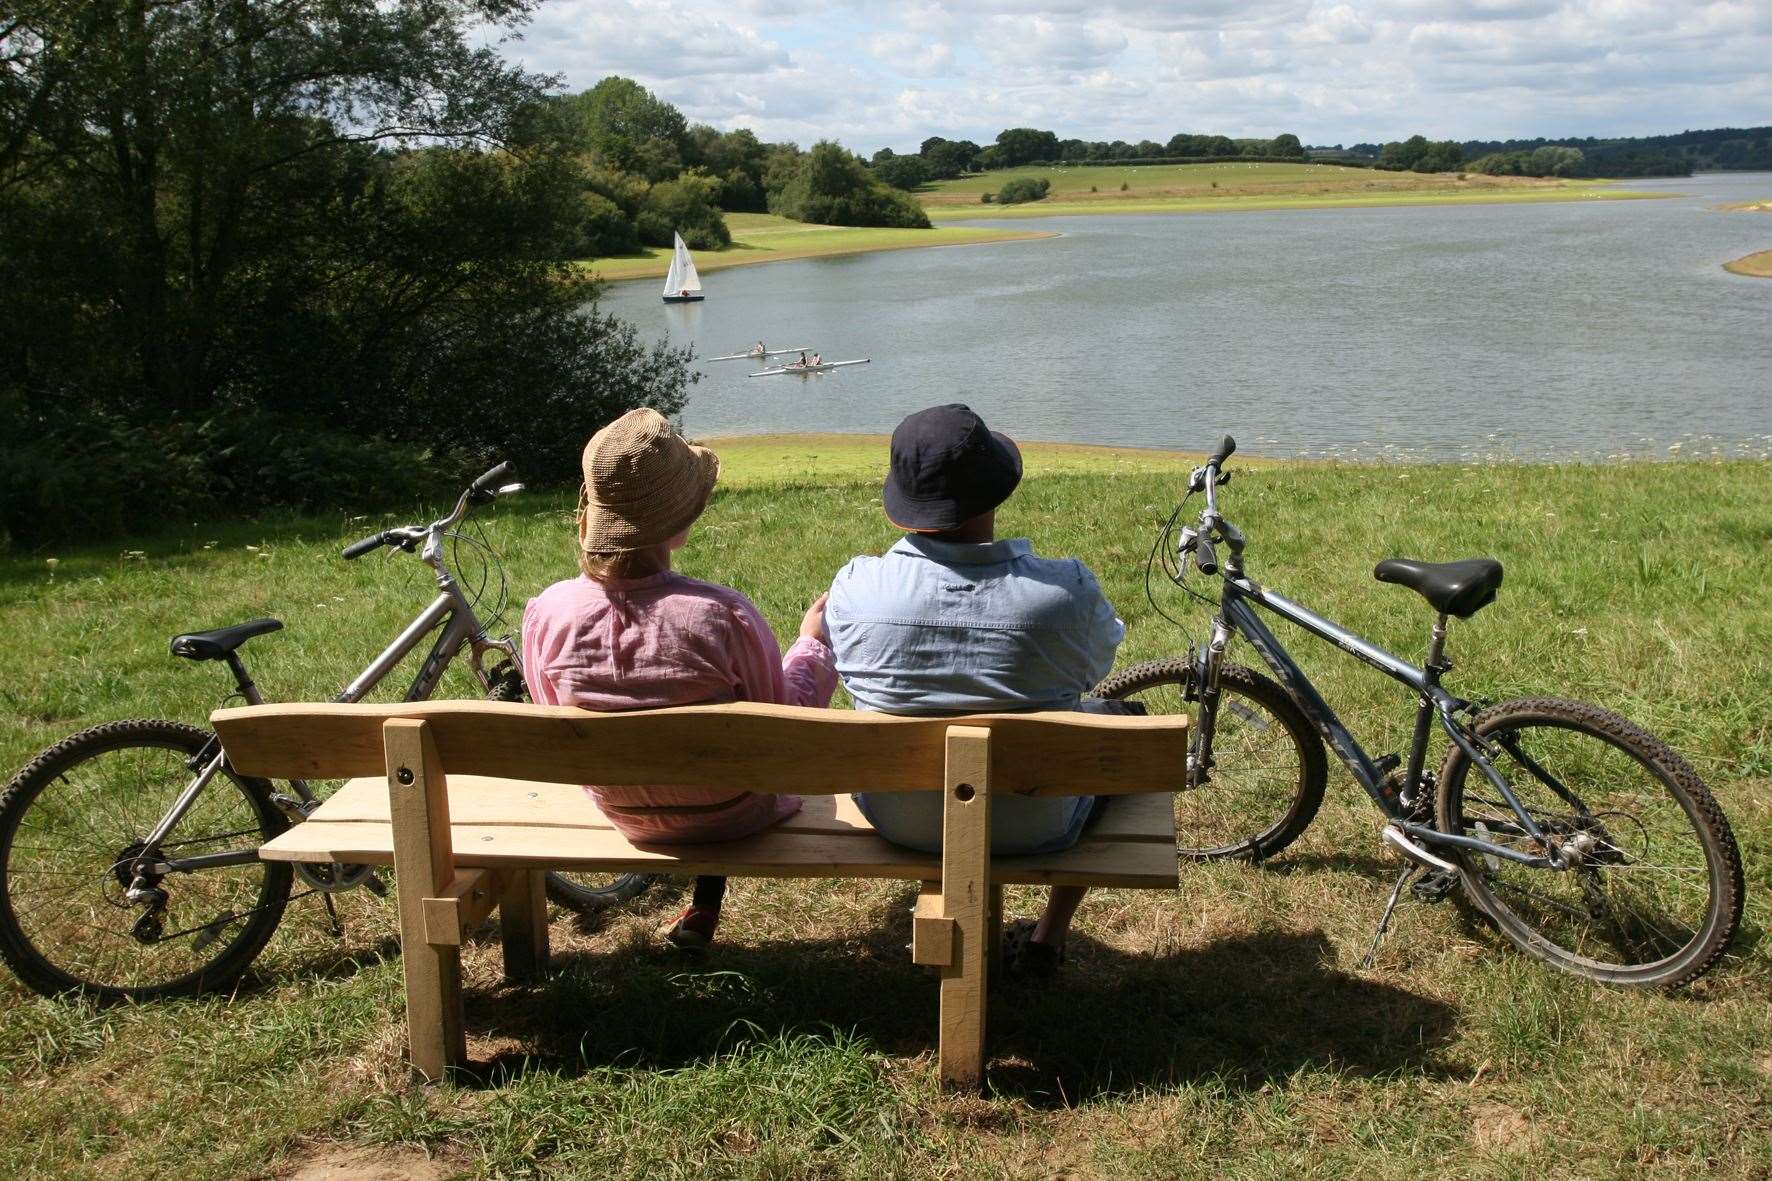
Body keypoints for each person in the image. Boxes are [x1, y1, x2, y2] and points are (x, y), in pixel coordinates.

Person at [825, 404, 1124, 975]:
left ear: (904, 503)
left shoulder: (856, 588)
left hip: (897, 821)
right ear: (995, 494)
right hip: (1040, 824)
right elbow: (1097, 667)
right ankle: (1048, 936)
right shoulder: (1067, 591)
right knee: (1114, 727)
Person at [521, 408, 836, 950]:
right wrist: (812, 645)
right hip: (735, 812)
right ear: (680, 521)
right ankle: (704, 907)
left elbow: (553, 713)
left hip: (622, 809)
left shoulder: (548, 613)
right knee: (723, 761)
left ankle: (700, 911)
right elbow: (782, 736)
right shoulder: (722, 615)